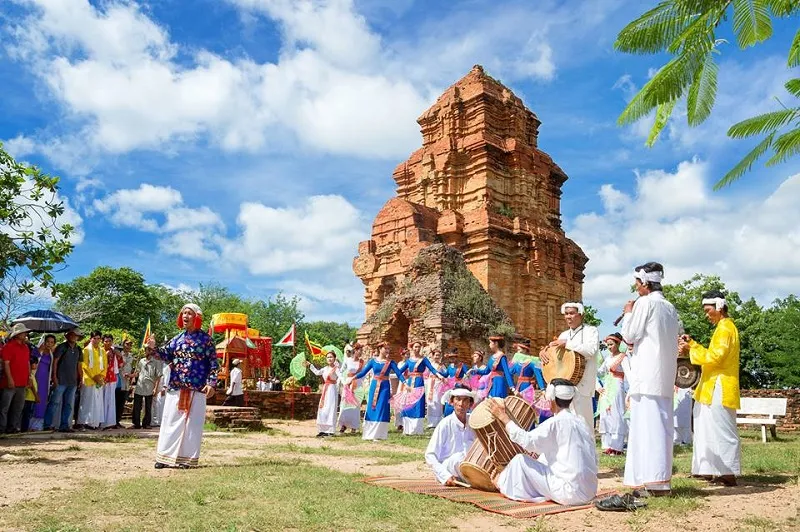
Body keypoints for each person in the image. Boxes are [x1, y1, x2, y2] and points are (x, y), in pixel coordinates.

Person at [620, 262, 680, 496]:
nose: (636, 288)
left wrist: (628, 313)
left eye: (637, 283)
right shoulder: (670, 307)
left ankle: (652, 482)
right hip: (663, 376)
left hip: (647, 375)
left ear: (645, 283)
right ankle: (659, 482)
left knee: (646, 429)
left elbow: (629, 335)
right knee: (661, 428)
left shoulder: (645, 303)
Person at [490, 379, 598, 505]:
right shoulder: (582, 422)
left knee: (520, 461)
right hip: (589, 491)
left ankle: (500, 483)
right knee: (541, 458)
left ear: (551, 398)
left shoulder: (555, 422)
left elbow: (527, 441)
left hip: (569, 493)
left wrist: (504, 417)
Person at [679, 290, 741, 486]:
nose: (707, 315)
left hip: (720, 385)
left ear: (719, 307)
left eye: (708, 310)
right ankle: (706, 469)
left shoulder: (726, 328)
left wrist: (691, 349)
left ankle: (728, 472)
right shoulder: (722, 328)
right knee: (704, 427)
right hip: (710, 385)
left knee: (722, 429)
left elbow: (716, 358)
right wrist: (694, 345)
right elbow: (711, 354)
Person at [148, 304, 218, 469]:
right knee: (170, 421)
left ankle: (186, 459)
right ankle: (164, 457)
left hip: (197, 388)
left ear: (197, 317)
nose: (185, 316)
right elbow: (164, 355)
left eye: (189, 313)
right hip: (176, 387)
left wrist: (212, 383)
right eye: (183, 313)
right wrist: (153, 347)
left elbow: (214, 364)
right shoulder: (177, 338)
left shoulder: (206, 340)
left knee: (192, 425)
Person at [540, 302, 599, 431]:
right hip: (563, 387)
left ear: (581, 314)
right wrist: (544, 352)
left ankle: (586, 451)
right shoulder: (563, 334)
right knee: (563, 424)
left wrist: (567, 343)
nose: (568, 317)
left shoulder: (591, 331)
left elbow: (590, 350)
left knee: (583, 425)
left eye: (572, 313)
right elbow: (555, 357)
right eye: (566, 314)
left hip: (582, 385)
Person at [350, 342, 405, 441]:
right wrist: (353, 377)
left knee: (382, 408)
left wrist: (406, 383)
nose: (387, 350)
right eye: (385, 348)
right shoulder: (373, 361)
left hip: (385, 387)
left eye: (388, 349)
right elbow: (363, 372)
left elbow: (399, 374)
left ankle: (379, 434)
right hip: (374, 385)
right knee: (372, 407)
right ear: (380, 349)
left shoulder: (391, 362)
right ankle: (369, 434)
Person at [424, 384, 477, 485]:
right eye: (458, 399)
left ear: (470, 404)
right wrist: (444, 475)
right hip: (449, 467)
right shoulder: (445, 424)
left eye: (465, 400)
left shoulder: (473, 422)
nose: (461, 404)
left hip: (470, 467)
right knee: (458, 458)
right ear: (452, 402)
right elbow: (430, 455)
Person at [396, 340, 440, 435]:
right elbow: (399, 371)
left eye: (419, 347)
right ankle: (407, 429)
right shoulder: (409, 361)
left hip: (419, 383)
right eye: (415, 347)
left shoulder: (423, 360)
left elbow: (432, 369)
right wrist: (404, 381)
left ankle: (417, 429)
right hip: (409, 384)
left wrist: (439, 375)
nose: (417, 349)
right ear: (412, 348)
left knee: (418, 404)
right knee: (408, 404)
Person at [44, 329, 84, 432]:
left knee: (69, 405)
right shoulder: (62, 347)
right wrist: (54, 377)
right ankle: (47, 424)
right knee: (54, 403)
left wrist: (81, 378)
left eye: (75, 335)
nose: (73, 337)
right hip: (61, 379)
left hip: (73, 381)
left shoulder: (78, 349)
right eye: (71, 335)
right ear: (67, 336)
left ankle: (64, 425)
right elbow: (55, 362)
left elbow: (79, 365)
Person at [597, 333, 629, 455]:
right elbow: (600, 372)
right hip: (607, 386)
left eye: (611, 344)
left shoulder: (623, 358)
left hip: (617, 384)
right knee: (606, 414)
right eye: (608, 345)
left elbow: (628, 374)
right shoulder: (608, 358)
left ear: (618, 344)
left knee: (616, 413)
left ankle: (617, 446)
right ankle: (608, 445)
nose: (609, 347)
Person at [0, 323, 32, 434]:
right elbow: (6, 364)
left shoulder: (26, 347)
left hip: (22, 381)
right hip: (10, 382)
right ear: (17, 334)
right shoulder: (8, 346)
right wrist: (9, 379)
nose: (25, 334)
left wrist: (29, 377)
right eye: (23, 333)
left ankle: (12, 427)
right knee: (5, 407)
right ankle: (2, 428)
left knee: (18, 407)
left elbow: (27, 363)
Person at [77, 330, 106, 430]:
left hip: (99, 380)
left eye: (98, 338)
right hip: (89, 379)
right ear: (91, 339)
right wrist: (94, 377)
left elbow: (105, 366)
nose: (96, 340)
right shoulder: (86, 350)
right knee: (86, 401)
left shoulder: (102, 351)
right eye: (95, 338)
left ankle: (94, 423)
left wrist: (101, 377)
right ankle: (83, 423)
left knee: (97, 402)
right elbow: (84, 365)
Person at [307, 351, 339, 437]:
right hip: (326, 389)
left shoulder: (337, 369)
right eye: (328, 357)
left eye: (331, 357)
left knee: (330, 409)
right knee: (323, 409)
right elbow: (317, 372)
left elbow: (341, 377)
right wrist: (310, 365)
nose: (329, 359)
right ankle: (322, 430)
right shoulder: (325, 368)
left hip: (332, 390)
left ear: (334, 359)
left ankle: (330, 431)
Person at [28, 334, 56, 431]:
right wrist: (39, 351)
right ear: (44, 341)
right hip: (36, 379)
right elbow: (32, 362)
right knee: (33, 399)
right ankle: (28, 425)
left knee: (42, 401)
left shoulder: (51, 355)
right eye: (48, 341)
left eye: (52, 342)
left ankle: (37, 425)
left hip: (45, 381)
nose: (49, 344)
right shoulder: (36, 351)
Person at [132, 347, 163, 429]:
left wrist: (155, 389)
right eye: (145, 350)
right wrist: (130, 376)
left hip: (149, 386)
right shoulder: (141, 361)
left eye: (148, 350)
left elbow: (158, 377)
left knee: (148, 406)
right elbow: (137, 372)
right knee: (137, 405)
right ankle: (136, 423)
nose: (146, 352)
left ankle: (146, 423)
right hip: (140, 385)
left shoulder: (156, 362)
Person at [337, 344, 364, 433]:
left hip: (357, 384)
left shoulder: (362, 362)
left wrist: (360, 382)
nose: (361, 352)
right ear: (355, 350)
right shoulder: (347, 360)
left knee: (355, 405)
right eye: (360, 350)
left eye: (362, 351)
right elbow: (340, 371)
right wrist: (344, 380)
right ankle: (343, 425)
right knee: (345, 404)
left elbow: (364, 374)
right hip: (348, 383)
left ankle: (354, 426)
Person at [510, 339, 543, 406]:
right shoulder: (516, 364)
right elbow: (509, 373)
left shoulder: (533, 362)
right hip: (518, 388)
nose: (517, 353)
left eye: (519, 350)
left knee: (528, 405)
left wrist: (543, 389)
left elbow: (539, 375)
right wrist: (512, 388)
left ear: (525, 350)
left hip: (528, 387)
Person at [441, 349, 469, 417]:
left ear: (457, 357)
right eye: (450, 358)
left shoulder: (462, 366)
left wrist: (463, 382)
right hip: (450, 386)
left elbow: (468, 375)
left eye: (453, 357)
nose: (452, 359)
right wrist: (436, 372)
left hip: (459, 386)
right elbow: (445, 374)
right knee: (448, 401)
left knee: (458, 401)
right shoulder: (450, 366)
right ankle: (448, 416)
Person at [101, 335, 121, 429]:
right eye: (106, 341)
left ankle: (109, 422)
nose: (108, 343)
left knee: (110, 400)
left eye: (109, 341)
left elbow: (120, 363)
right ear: (103, 342)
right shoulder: (100, 351)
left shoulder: (114, 352)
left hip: (112, 377)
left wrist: (117, 354)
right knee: (101, 400)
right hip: (101, 378)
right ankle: (100, 421)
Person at [425, 348, 446, 429]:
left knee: (437, 401)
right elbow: (426, 373)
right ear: (432, 356)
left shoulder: (442, 365)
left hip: (438, 384)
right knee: (430, 401)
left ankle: (438, 422)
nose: (437, 357)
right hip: (430, 383)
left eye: (438, 355)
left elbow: (445, 374)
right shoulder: (430, 365)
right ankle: (430, 423)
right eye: (436, 355)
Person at [116, 339, 135, 427]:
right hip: (118, 380)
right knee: (116, 401)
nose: (128, 346)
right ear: (123, 345)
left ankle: (118, 421)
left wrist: (131, 376)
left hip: (127, 382)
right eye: (127, 344)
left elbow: (131, 368)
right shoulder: (119, 354)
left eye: (130, 345)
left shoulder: (131, 357)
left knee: (122, 402)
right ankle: (114, 421)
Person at [21, 355, 40, 431]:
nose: (34, 365)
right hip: (28, 397)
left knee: (28, 414)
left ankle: (26, 427)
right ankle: (24, 429)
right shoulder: (29, 375)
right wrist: (36, 396)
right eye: (33, 363)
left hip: (31, 398)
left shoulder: (32, 374)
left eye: (35, 363)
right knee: (26, 414)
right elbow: (32, 387)